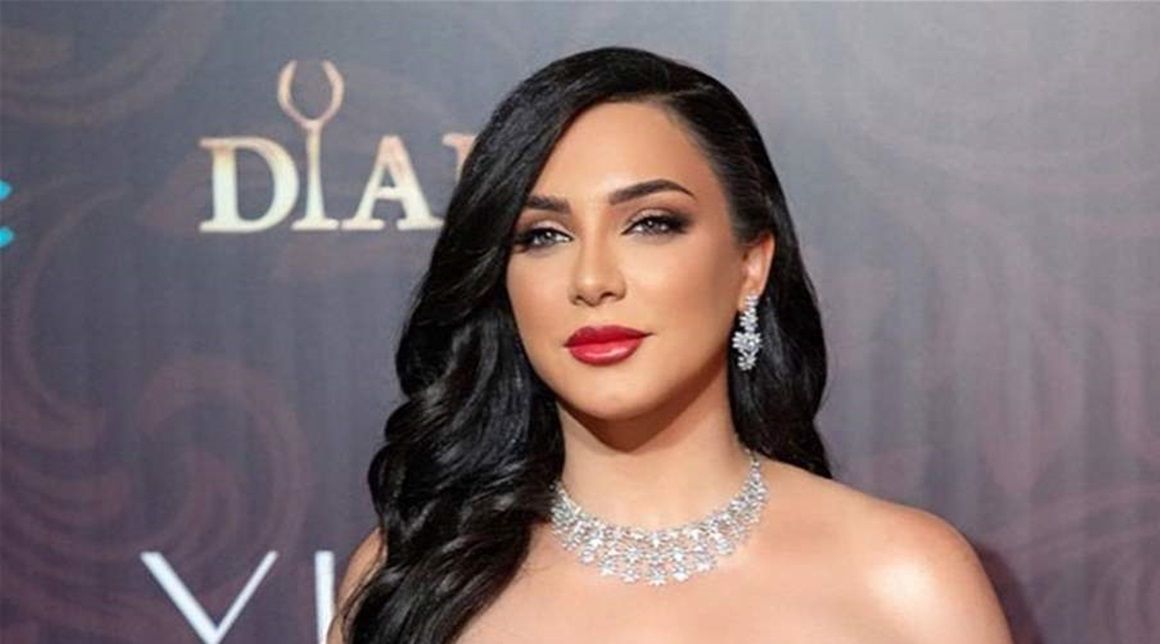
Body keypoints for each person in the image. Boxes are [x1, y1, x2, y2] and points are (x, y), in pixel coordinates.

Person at [328, 46, 1013, 644]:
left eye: (651, 223)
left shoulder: (903, 579)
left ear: (750, 265)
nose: (592, 280)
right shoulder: (411, 580)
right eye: (543, 236)